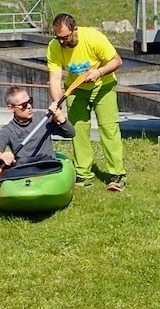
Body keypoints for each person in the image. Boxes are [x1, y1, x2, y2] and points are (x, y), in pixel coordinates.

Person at [46, 13, 126, 191]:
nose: (61, 42)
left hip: (103, 86)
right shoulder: (54, 47)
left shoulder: (93, 38)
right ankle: (83, 174)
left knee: (108, 128)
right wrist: (56, 102)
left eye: (65, 37)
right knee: (78, 131)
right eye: (58, 38)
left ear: (74, 30)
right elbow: (55, 77)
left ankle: (117, 175)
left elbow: (117, 60)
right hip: (75, 90)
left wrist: (99, 72)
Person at [0, 85, 74, 168]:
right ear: (11, 108)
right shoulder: (8, 130)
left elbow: (70, 133)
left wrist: (60, 118)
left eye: (30, 101)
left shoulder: (43, 118)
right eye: (24, 105)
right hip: (25, 168)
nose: (29, 106)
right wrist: (1, 155)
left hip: (47, 165)